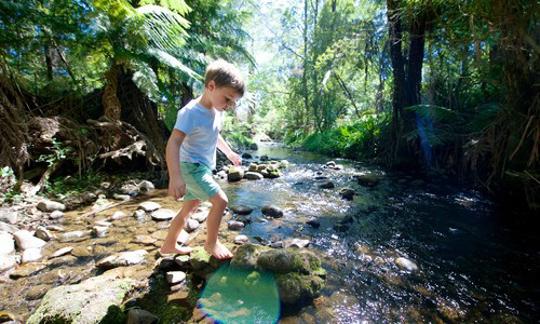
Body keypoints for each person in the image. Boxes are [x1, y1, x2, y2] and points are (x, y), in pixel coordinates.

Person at [159, 59, 244, 260]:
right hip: (191, 167)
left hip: (202, 167)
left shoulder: (216, 111)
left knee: (190, 207)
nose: (230, 105)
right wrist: (175, 177)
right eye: (228, 99)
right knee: (220, 201)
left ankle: (169, 245)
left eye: (233, 102)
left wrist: (229, 153)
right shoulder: (191, 112)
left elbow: (214, 135)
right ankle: (211, 244)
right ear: (211, 86)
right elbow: (173, 143)